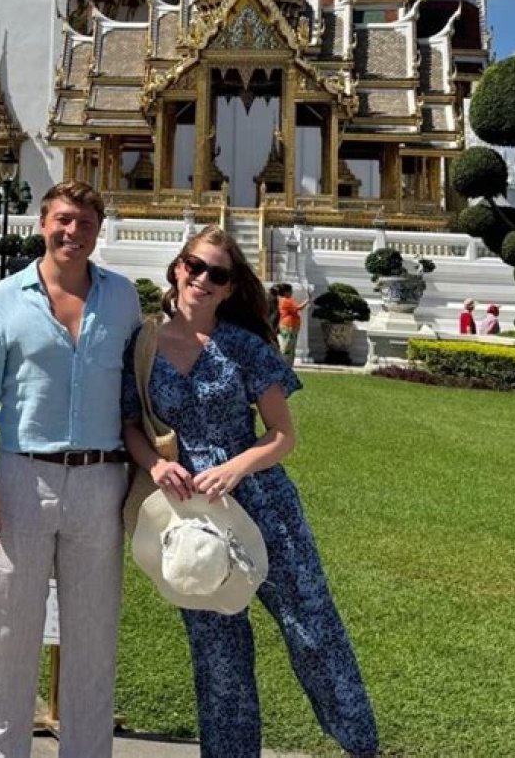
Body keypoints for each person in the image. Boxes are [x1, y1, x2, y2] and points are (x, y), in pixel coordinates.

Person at [121, 225, 379, 758]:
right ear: (178, 268)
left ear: (231, 287)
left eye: (218, 274)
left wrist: (235, 468)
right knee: (219, 653)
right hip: (190, 513)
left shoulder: (243, 347)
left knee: (312, 628)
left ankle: (361, 746)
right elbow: (129, 425)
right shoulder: (143, 344)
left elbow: (283, 435)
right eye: (196, 267)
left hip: (263, 503)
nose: (203, 280)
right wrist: (156, 465)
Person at [0, 180, 141, 758]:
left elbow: (138, 391)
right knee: (9, 633)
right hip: (22, 478)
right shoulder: (5, 299)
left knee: (93, 638)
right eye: (62, 220)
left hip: (101, 480)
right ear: (42, 223)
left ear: (99, 231)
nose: (72, 232)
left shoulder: (122, 299)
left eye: (85, 223)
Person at [277, 282, 310, 366]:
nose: (291, 293)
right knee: (287, 346)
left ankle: (288, 364)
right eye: (290, 291)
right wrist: (307, 300)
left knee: (290, 346)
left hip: (291, 326)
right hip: (288, 326)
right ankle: (284, 363)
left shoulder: (285, 300)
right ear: (285, 292)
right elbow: (298, 308)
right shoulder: (286, 301)